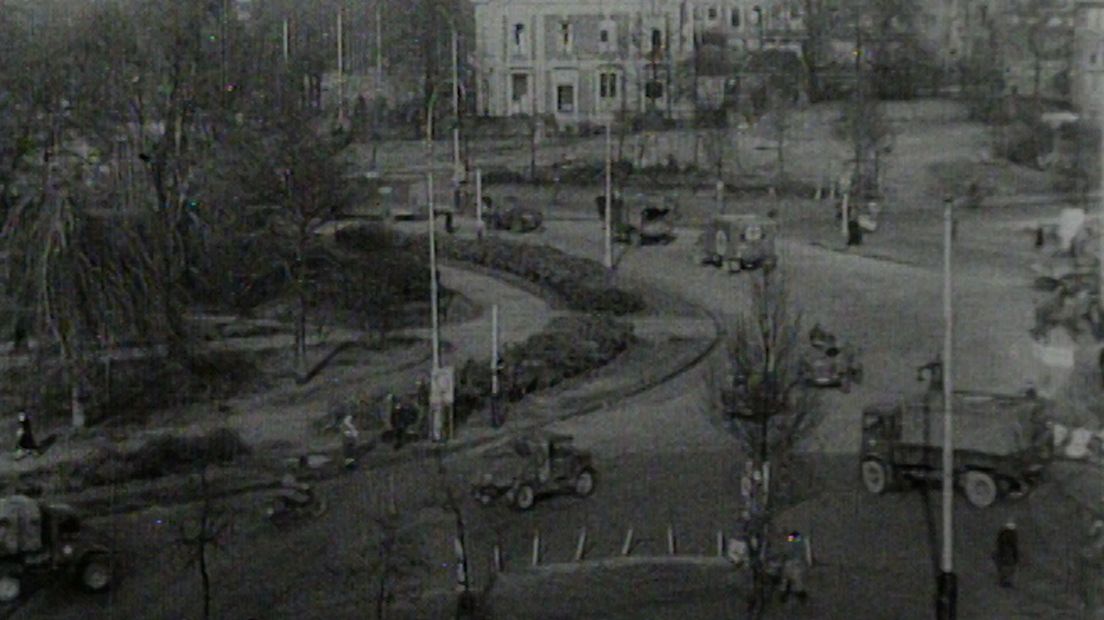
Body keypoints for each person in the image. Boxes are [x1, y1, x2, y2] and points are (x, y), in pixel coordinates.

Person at [779, 531, 809, 603]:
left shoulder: (791, 542)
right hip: (796, 562)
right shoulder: (801, 542)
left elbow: (786, 551)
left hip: (791, 562)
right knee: (797, 578)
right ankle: (800, 594)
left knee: (786, 578)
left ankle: (785, 593)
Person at [994, 520, 1019, 588]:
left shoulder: (1011, 544)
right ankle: (1005, 579)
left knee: (1008, 565)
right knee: (1005, 565)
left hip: (1008, 555)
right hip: (1005, 554)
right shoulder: (1003, 543)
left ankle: (1007, 580)